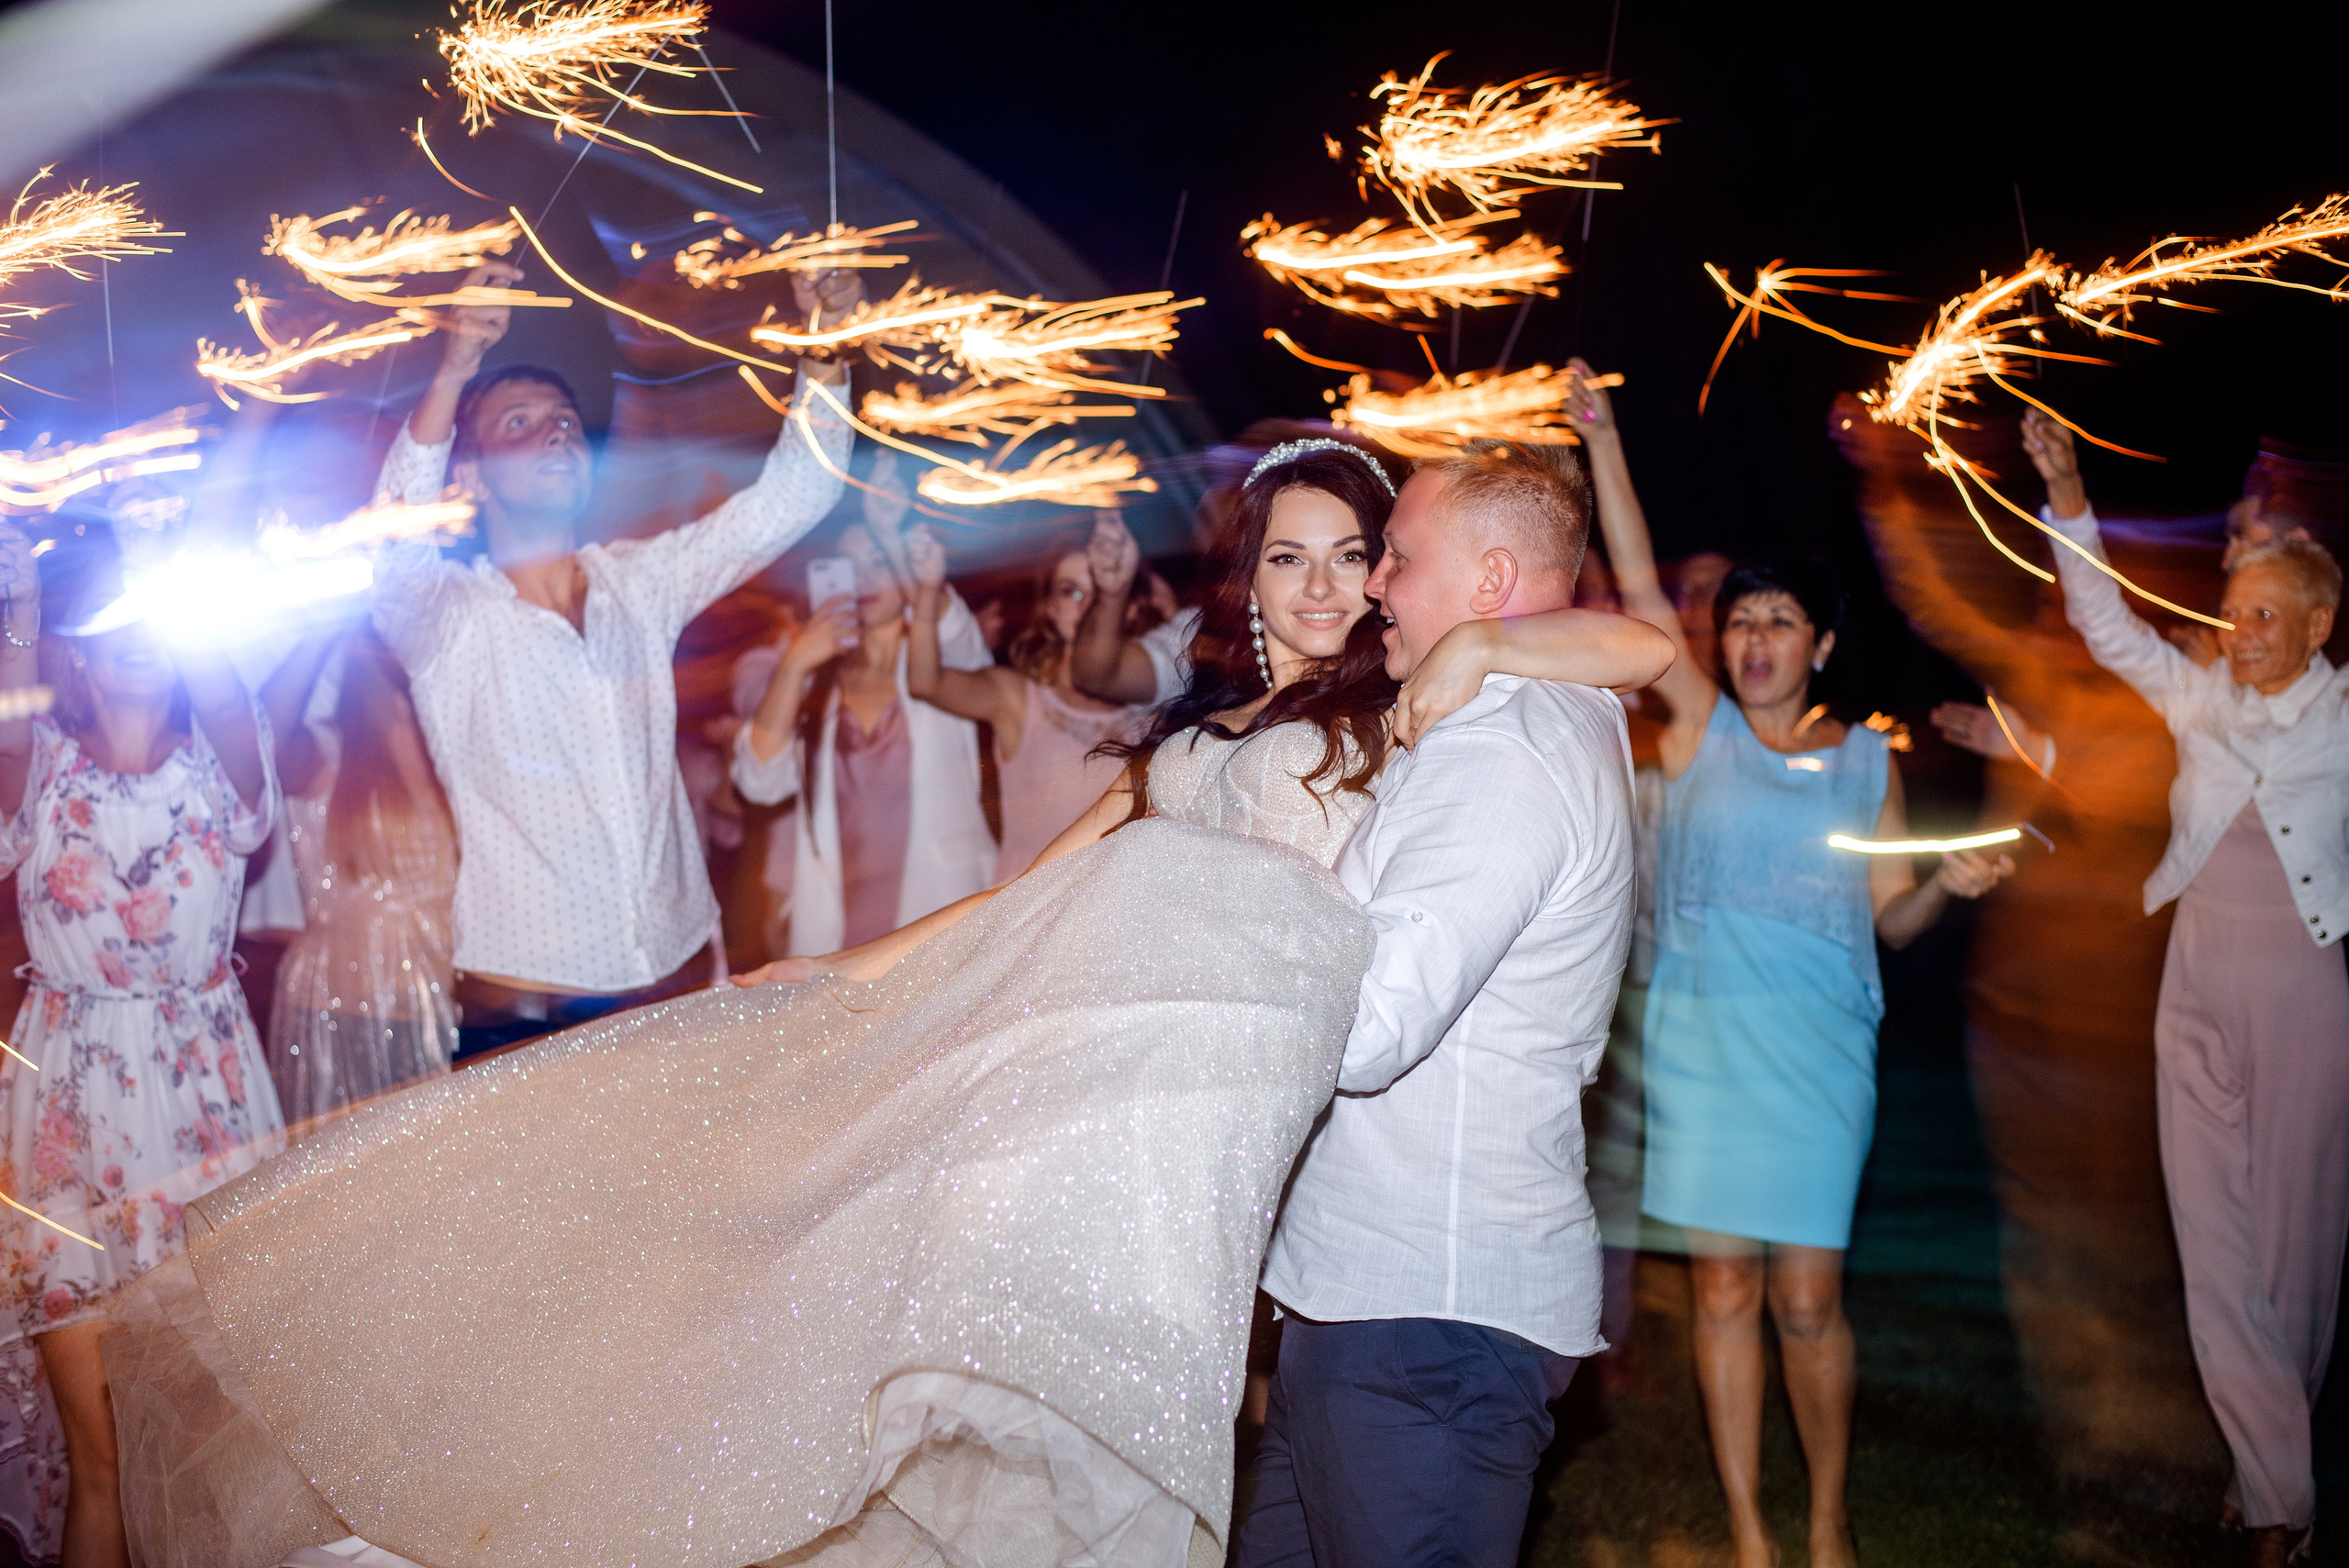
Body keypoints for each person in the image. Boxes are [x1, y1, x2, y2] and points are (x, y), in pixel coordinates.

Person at [100, 439, 1668, 1568]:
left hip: (1214, 1139)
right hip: (1121, 1088)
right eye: (1298, 553)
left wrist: (1479, 642)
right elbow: (1040, 888)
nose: (1342, 585)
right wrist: (841, 977)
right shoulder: (1203, 715)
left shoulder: (1427, 709)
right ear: (1248, 577)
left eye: (1366, 554)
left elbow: (1641, 647)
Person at [1570, 368, 2014, 1568]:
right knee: (1721, 1293)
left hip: (1821, 1056)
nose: (1752, 638)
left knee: (1808, 1299)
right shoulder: (1698, 729)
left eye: (1778, 622)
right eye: (1740, 620)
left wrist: (1943, 883)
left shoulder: (1869, 761)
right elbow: (1631, 560)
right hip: (1706, 1051)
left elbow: (1893, 921)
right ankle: (1756, 1532)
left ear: (1819, 643)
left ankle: (1827, 1517)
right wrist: (1604, 436)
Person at [367, 258, 859, 1058]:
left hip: (679, 974)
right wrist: (456, 366)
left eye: (562, 418)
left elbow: (796, 496)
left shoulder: (641, 582)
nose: (556, 429)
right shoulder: (449, 621)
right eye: (519, 424)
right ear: (472, 481)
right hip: (533, 1013)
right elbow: (391, 549)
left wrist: (827, 351)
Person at [2022, 408, 2349, 1568]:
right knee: (2213, 1239)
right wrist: (2067, 487)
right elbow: (2104, 621)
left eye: (2268, 616)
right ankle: (2279, 1498)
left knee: (2298, 1249)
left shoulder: (2345, 721)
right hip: (2195, 985)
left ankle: (2267, 1461)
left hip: (2306, 997)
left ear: (2318, 624)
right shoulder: (2200, 697)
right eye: (2234, 613)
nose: (2243, 631)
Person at [0, 528, 283, 1568]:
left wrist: (180, 559)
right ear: (75, 642)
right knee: (106, 1457)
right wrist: (21, 596)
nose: (142, 624)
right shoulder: (35, 765)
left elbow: (214, 667)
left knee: (218, 1447)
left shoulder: (225, 750)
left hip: (208, 1106)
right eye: (116, 605)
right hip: (70, 1118)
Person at [729, 461, 996, 956]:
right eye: (852, 566)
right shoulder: (817, 684)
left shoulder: (937, 654)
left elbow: (962, 641)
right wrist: (794, 665)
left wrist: (891, 530)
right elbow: (758, 783)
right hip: (838, 931)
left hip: (941, 915)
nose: (865, 578)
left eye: (879, 560)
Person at [256, 623, 459, 1125]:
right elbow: (261, 734)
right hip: (343, 1006)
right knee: (350, 1184)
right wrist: (321, 628)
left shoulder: (457, 744)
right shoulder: (332, 752)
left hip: (445, 1003)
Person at [902, 523, 1152, 884]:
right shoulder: (1019, 698)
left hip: (1112, 922)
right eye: (1071, 592)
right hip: (1023, 923)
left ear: (1129, 608)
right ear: (1050, 607)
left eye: (1099, 591)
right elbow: (925, 682)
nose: (1086, 607)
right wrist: (927, 591)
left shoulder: (1157, 720)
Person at [1066, 506, 1207, 706]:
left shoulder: (1194, 629)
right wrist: (1111, 595)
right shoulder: (1197, 630)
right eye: (1071, 591)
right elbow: (1094, 678)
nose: (1087, 605)